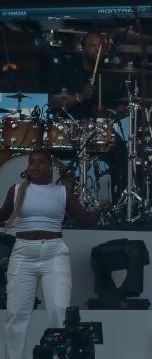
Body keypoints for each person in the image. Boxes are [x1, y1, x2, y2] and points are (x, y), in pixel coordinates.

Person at [0, 149, 107, 359]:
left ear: (51, 168)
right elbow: (2, 215)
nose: (36, 166)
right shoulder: (17, 190)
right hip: (23, 255)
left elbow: (83, 218)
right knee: (16, 315)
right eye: (32, 163)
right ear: (27, 168)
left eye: (41, 162)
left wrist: (102, 210)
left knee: (60, 310)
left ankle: (62, 355)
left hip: (54, 254)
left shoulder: (62, 192)